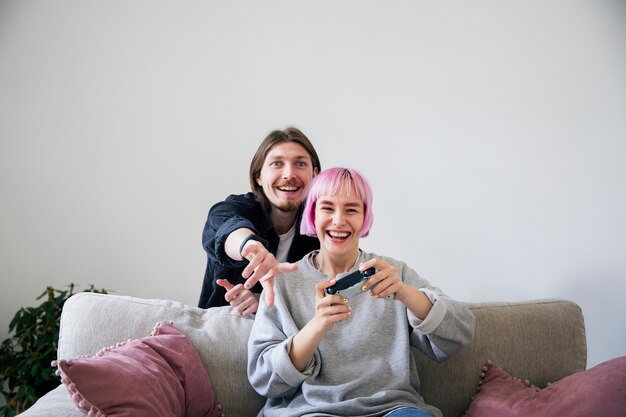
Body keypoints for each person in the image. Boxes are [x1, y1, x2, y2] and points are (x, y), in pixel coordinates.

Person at [247, 167, 476, 417]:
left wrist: (405, 293)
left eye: (351, 209)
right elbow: (264, 379)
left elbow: (461, 332)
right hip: (312, 411)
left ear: (365, 217)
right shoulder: (284, 283)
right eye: (327, 208)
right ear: (312, 213)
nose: (338, 220)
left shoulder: (392, 273)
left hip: (392, 409)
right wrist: (316, 327)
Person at [198, 127, 321, 315]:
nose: (289, 174)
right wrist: (249, 246)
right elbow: (223, 225)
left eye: (300, 164)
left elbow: (344, 274)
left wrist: (264, 302)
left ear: (315, 175)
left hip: (292, 340)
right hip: (223, 331)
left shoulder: (322, 225)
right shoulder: (237, 208)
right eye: (277, 164)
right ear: (259, 176)